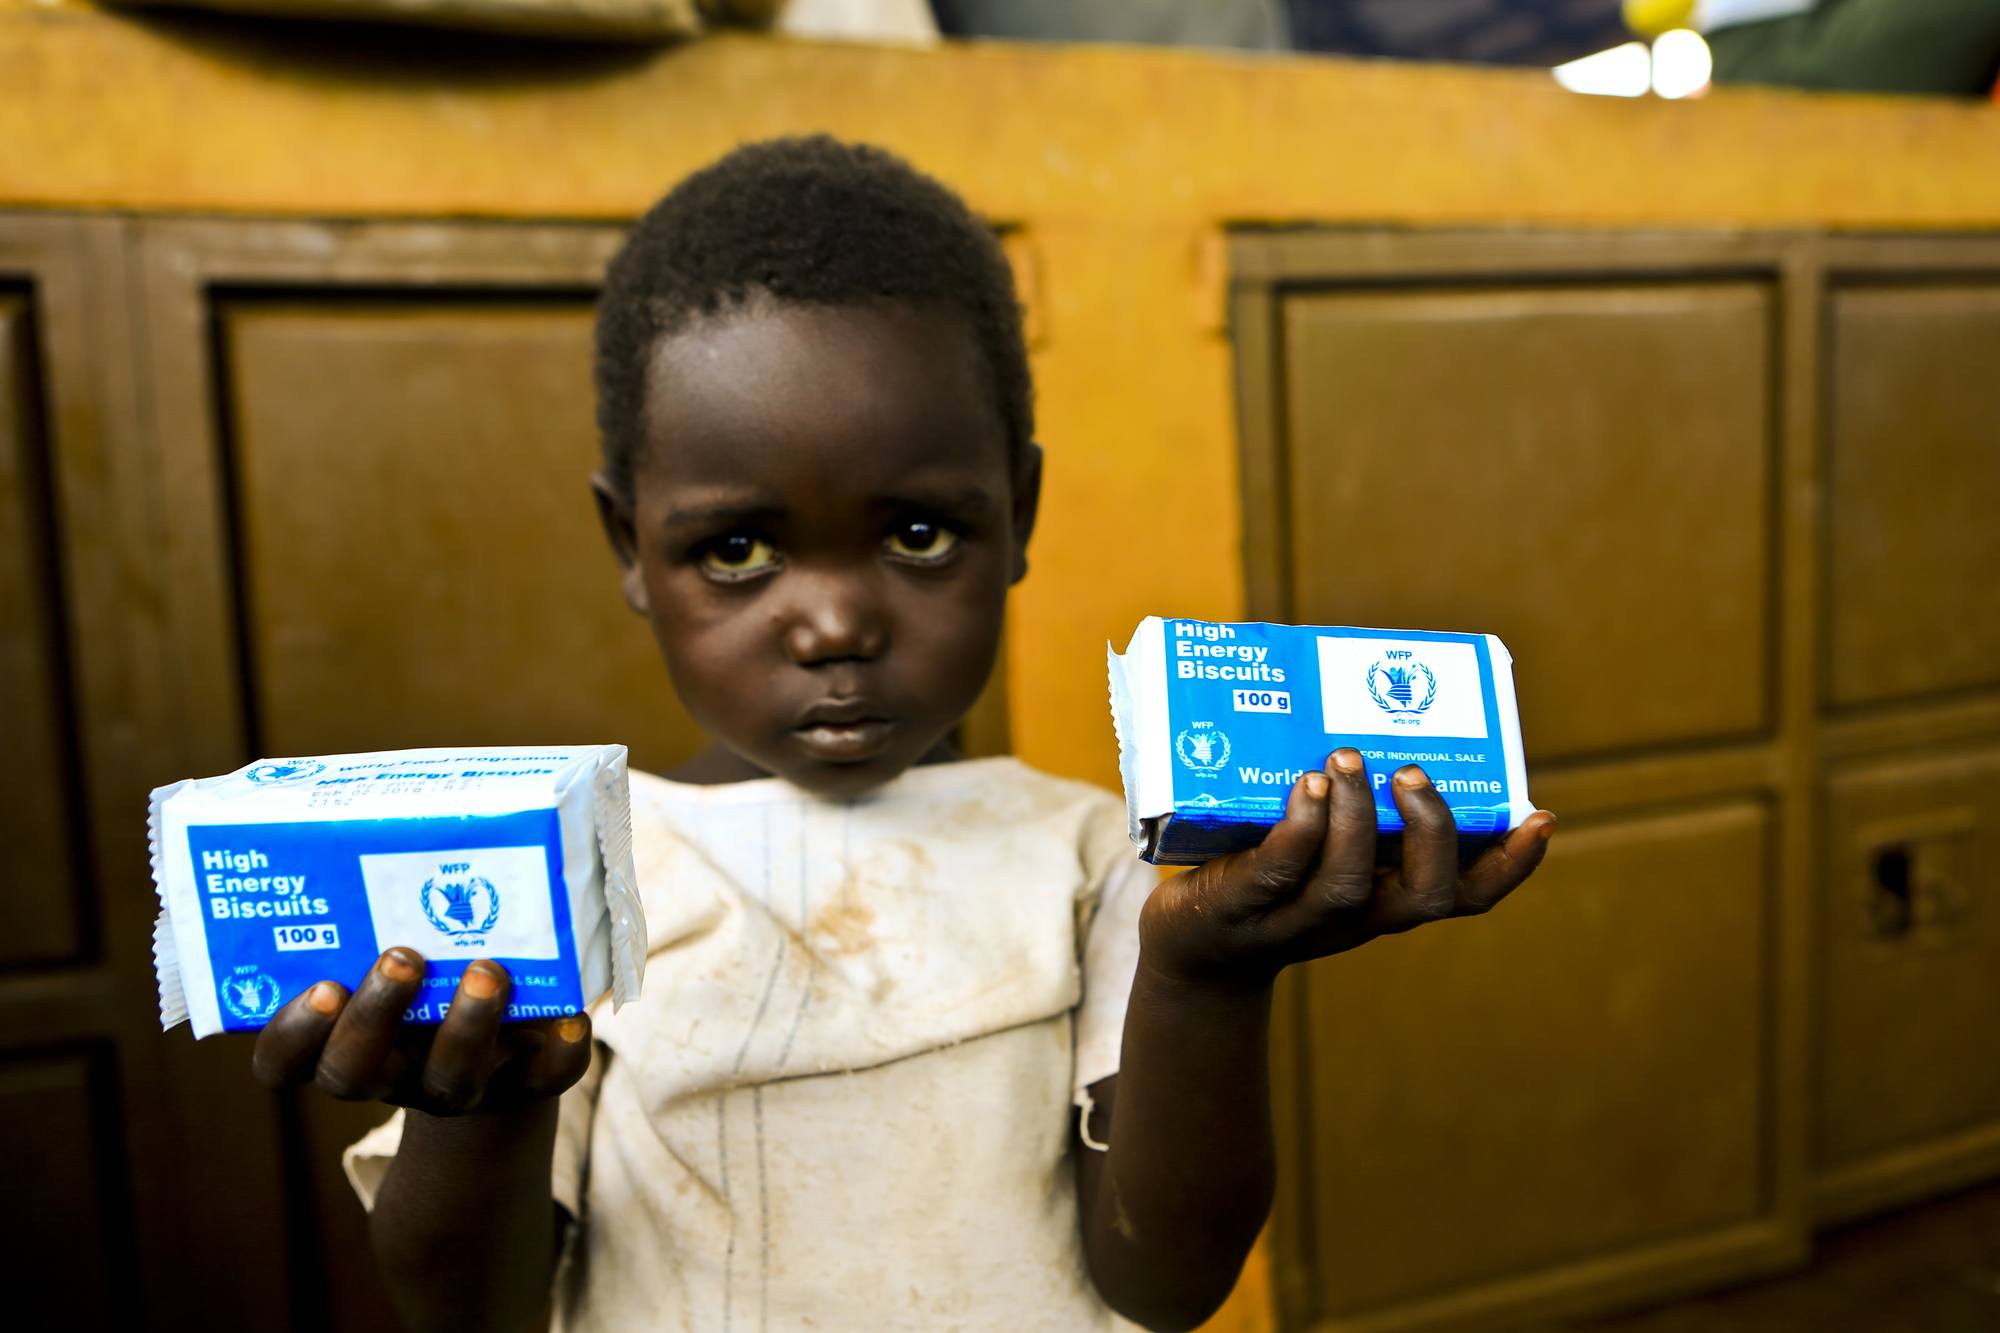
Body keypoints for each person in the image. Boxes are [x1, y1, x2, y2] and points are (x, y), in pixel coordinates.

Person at [246, 136, 1559, 1333]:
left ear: (1020, 513)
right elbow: (471, 1312)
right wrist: (476, 1107)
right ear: (628, 549)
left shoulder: (1092, 856)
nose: (834, 624)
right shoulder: (575, 874)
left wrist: (1208, 981)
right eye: (739, 548)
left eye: (918, 532)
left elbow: (1166, 1277)